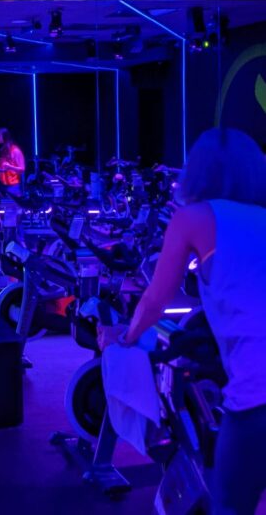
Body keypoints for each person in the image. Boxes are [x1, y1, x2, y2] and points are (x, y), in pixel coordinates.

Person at [98, 127, 266, 515]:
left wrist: (124, 337)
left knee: (229, 505)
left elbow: (155, 300)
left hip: (257, 395)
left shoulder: (193, 218)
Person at [0, 128, 25, 197]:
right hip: (3, 185)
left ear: (4, 136)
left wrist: (10, 167)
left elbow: (22, 169)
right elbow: (3, 169)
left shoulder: (15, 150)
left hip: (13, 186)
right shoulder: (3, 150)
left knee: (13, 203)